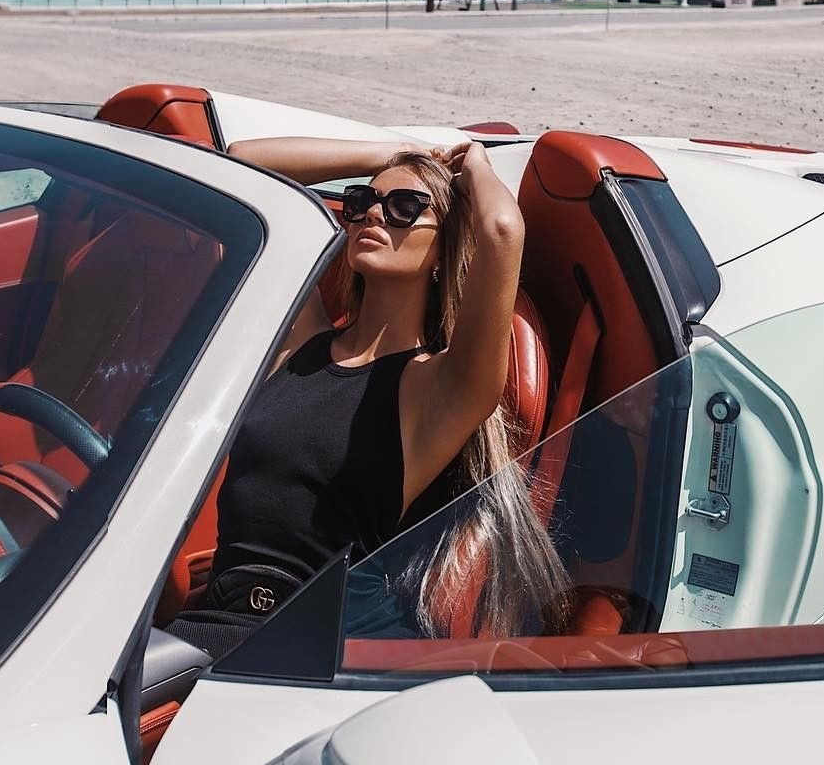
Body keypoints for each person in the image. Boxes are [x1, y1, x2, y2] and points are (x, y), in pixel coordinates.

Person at [166, 137, 573, 654]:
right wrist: (390, 154)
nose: (376, 213)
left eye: (405, 207)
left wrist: (474, 167)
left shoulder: (436, 388)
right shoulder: (299, 344)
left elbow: (501, 229)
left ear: (444, 251)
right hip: (217, 623)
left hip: (322, 648)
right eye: (362, 202)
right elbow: (235, 168)